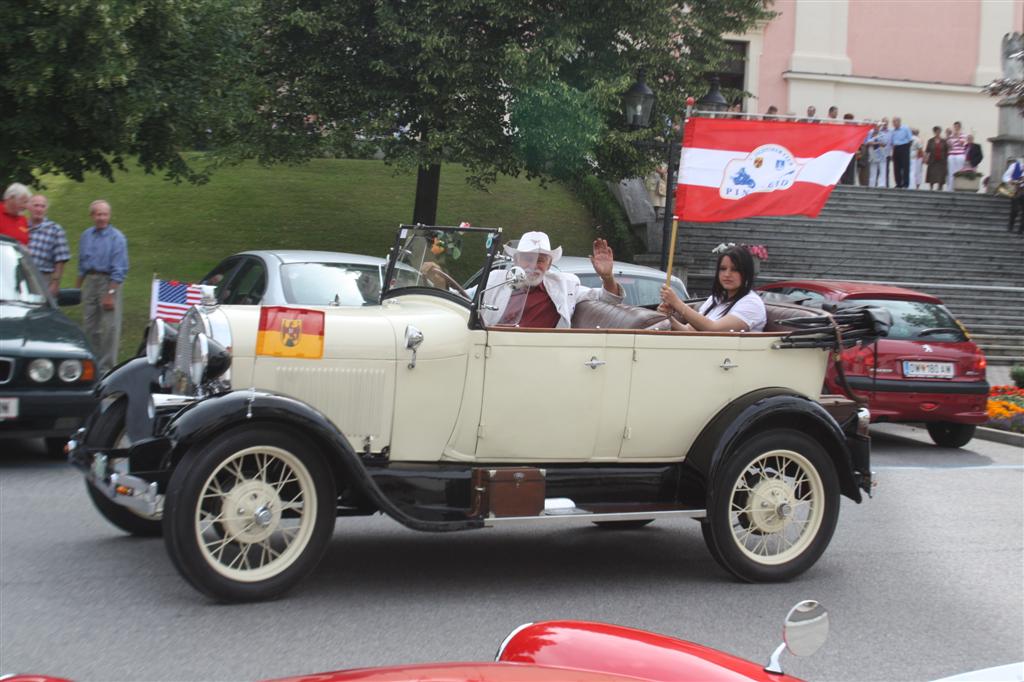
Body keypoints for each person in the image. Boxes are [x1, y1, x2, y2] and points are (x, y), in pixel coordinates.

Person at [470, 231, 623, 328]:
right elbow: (462, 296)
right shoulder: (496, 279)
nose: (533, 265)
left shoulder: (565, 285)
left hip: (543, 355)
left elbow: (608, 299)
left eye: (540, 260)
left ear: (549, 265)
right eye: (527, 259)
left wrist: (607, 276)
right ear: (515, 261)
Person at [657, 245, 766, 332]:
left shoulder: (751, 303)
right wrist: (668, 318)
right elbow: (689, 331)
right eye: (723, 269)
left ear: (746, 273)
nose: (727, 274)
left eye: (735, 269)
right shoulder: (717, 298)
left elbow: (713, 329)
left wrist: (677, 303)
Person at [76, 200, 129, 375]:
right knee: (90, 325)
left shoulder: (117, 238)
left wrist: (110, 293)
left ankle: (107, 369)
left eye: (105, 214)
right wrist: (78, 287)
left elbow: (120, 268)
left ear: (109, 215)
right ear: (92, 216)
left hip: (109, 282)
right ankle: (91, 364)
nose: (101, 218)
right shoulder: (86, 236)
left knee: (109, 327)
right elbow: (82, 264)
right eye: (98, 214)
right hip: (91, 280)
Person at [27, 195, 71, 297]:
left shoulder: (55, 230)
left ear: (46, 209)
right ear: (29, 207)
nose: (39, 209)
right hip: (22, 276)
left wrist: (55, 283)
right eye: (36, 206)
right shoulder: (22, 226)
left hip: (43, 278)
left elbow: (60, 260)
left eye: (42, 206)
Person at [890, 117, 913, 188]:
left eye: (895, 122)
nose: (894, 123)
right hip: (896, 148)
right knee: (896, 167)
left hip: (904, 147)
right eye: (893, 122)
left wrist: (906, 148)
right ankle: (898, 183)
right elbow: (891, 141)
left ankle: (906, 183)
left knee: (905, 166)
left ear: (899, 122)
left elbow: (910, 140)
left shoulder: (905, 128)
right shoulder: (892, 130)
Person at [1002, 158, 1024, 234]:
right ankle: (1011, 225)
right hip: (1016, 191)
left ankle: (1020, 230)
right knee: (1015, 210)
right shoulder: (1015, 166)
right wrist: (1011, 181)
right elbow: (1005, 177)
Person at [946, 121, 969, 191]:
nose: (956, 128)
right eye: (955, 126)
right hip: (952, 154)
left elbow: (962, 144)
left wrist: (957, 136)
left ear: (960, 127)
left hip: (960, 155)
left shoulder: (963, 135)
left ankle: (959, 187)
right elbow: (949, 146)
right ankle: (950, 188)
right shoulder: (951, 136)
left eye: (957, 126)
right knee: (951, 172)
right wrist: (948, 137)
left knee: (959, 171)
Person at [925, 127, 948, 191]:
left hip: (941, 160)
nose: (938, 133)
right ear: (934, 132)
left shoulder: (944, 141)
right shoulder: (930, 141)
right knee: (932, 173)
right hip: (932, 160)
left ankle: (940, 187)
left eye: (939, 131)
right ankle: (931, 186)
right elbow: (927, 151)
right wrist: (926, 158)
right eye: (937, 131)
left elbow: (947, 150)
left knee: (941, 174)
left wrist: (946, 159)